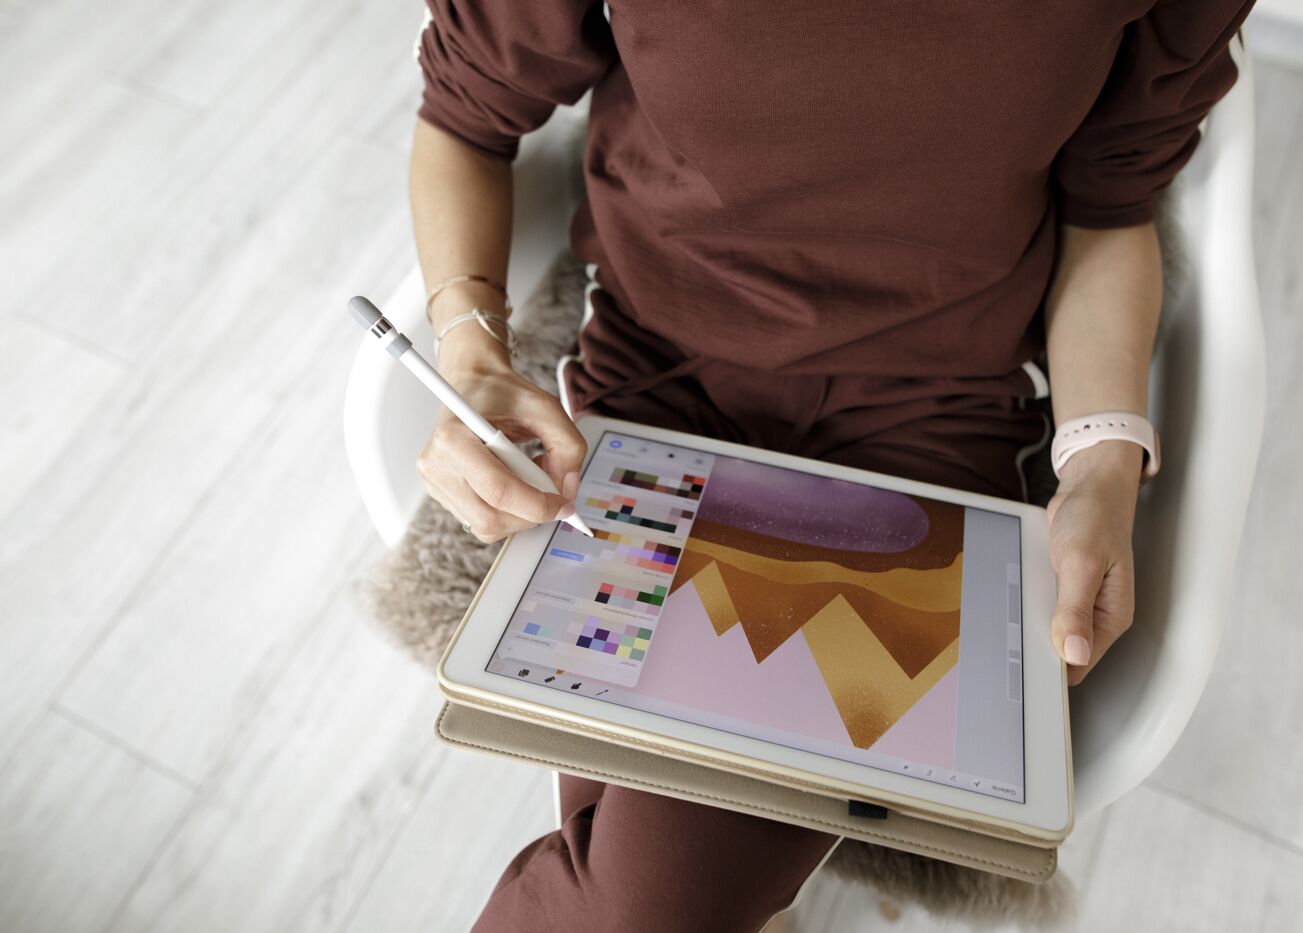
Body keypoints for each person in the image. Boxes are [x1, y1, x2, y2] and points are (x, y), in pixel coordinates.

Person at [408, 2, 1254, 929]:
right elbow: (464, 120)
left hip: (931, 433)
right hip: (665, 394)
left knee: (650, 898)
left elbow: (1111, 206)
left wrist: (1101, 461)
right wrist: (475, 357)